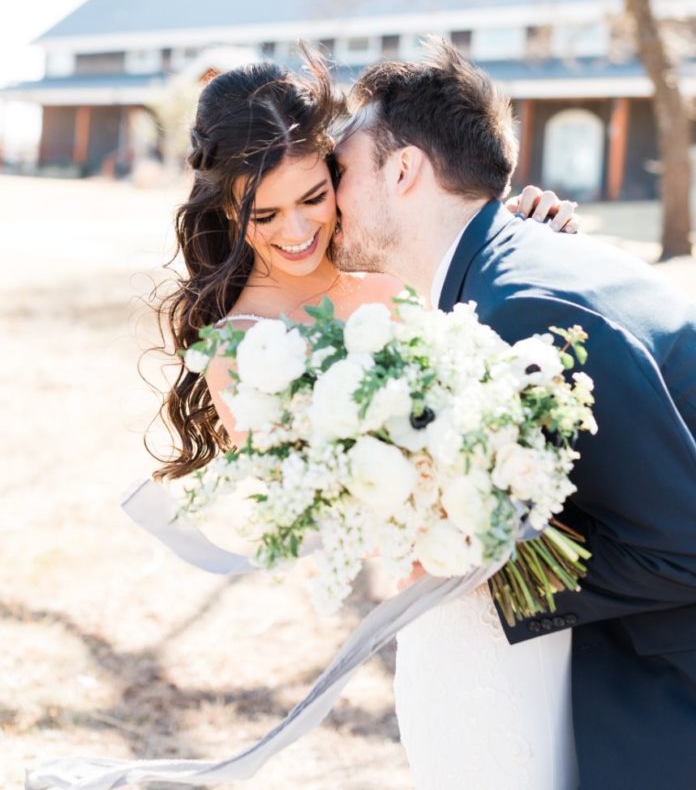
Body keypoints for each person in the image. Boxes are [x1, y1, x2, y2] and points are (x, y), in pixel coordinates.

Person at [331, 40, 696, 790]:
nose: (327, 195)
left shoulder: (518, 308)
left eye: (340, 170)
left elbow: (681, 547)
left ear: (402, 171)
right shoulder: (517, 266)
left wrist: (479, 573)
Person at [154, 59, 576, 481]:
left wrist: (515, 235)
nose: (298, 231)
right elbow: (306, 507)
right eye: (265, 216)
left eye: (313, 198)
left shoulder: (394, 267)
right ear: (229, 211)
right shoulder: (238, 350)